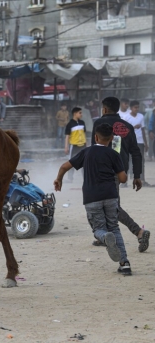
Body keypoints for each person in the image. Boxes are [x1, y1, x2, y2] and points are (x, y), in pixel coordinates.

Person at [54, 123, 131, 275]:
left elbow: (64, 166)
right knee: (114, 228)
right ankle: (125, 263)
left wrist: (59, 179)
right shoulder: (113, 154)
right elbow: (122, 178)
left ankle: (104, 237)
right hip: (110, 195)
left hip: (92, 197)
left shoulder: (86, 152)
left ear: (95, 137)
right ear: (111, 139)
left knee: (98, 229)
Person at [91, 96, 150, 252]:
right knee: (106, 204)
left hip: (102, 172)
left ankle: (139, 232)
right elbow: (136, 153)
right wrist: (137, 175)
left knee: (112, 207)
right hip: (119, 171)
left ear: (104, 109)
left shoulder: (98, 124)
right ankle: (105, 236)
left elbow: (93, 150)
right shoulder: (127, 126)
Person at [123, 100, 148, 186]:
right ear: (131, 108)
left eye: (138, 107)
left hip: (140, 141)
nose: (137, 109)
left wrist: (146, 142)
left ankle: (142, 179)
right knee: (128, 160)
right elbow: (124, 131)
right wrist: (133, 127)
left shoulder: (141, 116)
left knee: (141, 160)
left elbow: (143, 130)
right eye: (135, 107)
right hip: (130, 141)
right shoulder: (126, 117)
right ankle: (125, 181)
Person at [64, 107, 86, 182]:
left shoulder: (82, 123)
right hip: (74, 146)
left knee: (85, 163)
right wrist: (66, 147)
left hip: (83, 145)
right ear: (74, 114)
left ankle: (86, 178)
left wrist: (86, 144)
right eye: (80, 113)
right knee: (71, 162)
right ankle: (70, 178)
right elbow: (67, 136)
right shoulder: (70, 124)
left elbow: (84, 134)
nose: (81, 114)